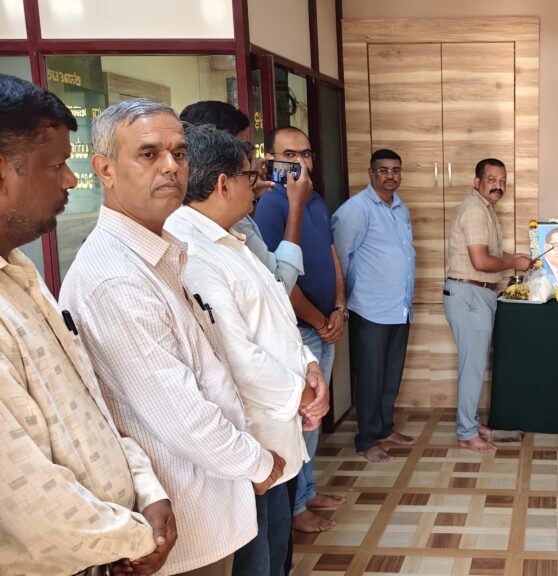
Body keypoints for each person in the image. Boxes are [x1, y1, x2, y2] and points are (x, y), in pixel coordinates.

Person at [59, 98, 284, 576]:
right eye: (148, 154)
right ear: (105, 169)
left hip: (209, 502)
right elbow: (183, 417)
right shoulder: (115, 277)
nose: (171, 167)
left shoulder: (157, 252)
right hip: (182, 516)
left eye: (179, 153)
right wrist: (259, 464)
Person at [0, 74, 175, 576]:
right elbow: (26, 500)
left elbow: (92, 406)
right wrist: (138, 536)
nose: (70, 181)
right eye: (54, 165)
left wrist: (148, 490)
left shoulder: (21, 274)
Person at [164, 124, 332, 576]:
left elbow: (275, 315)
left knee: (277, 550)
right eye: (248, 175)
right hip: (249, 442)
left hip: (276, 432)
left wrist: (310, 366)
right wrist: (305, 394)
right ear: (223, 184)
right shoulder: (193, 251)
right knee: (257, 560)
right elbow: (237, 355)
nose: (256, 184)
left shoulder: (229, 238)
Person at [254, 126, 347, 533]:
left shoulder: (316, 200)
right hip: (300, 333)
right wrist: (319, 320)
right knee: (303, 419)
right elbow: (279, 279)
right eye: (289, 155)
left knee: (314, 418)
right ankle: (295, 508)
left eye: (306, 154)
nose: (300, 163)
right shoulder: (272, 205)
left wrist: (340, 307)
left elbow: (331, 255)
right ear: (271, 160)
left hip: (326, 325)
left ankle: (307, 492)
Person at [332, 148, 417, 463]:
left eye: (396, 170)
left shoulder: (400, 209)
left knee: (390, 375)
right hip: (369, 308)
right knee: (370, 377)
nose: (390, 176)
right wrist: (344, 301)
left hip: (399, 307)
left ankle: (384, 428)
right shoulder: (355, 210)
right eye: (383, 170)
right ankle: (367, 440)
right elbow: (340, 259)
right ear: (371, 173)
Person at [444, 158, 532, 453]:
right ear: (477, 182)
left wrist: (513, 258)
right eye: (492, 179)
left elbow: (489, 255)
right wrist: (513, 262)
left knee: (475, 365)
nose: (498, 185)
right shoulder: (474, 210)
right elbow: (481, 262)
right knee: (472, 367)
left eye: (503, 180)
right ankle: (466, 433)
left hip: (477, 294)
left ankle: (471, 423)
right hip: (469, 294)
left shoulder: (485, 209)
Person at [179, 100, 307, 294]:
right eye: (245, 146)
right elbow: (280, 284)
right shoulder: (226, 227)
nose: (250, 153)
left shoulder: (192, 214)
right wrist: (296, 205)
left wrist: (246, 189)